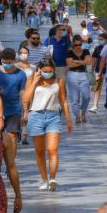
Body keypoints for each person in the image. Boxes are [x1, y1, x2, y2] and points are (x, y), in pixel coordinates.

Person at [23, 58, 73, 191]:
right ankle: (44, 179)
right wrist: (34, 82)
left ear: (54, 70)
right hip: (36, 115)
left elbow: (63, 100)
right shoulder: (32, 80)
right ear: (39, 70)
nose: (47, 73)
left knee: (52, 149)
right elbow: (25, 99)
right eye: (44, 71)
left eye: (50, 71)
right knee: (40, 151)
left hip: (53, 116)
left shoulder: (59, 81)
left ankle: (52, 179)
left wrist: (68, 119)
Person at [0, 49, 27, 158]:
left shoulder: (21, 74)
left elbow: (23, 93)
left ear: (14, 60)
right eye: (4, 62)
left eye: (9, 62)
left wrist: (25, 111)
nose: (7, 64)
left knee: (12, 136)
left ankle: (11, 164)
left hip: (14, 109)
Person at [66, 35, 91, 123]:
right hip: (72, 75)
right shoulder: (69, 52)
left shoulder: (86, 51)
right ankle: (77, 115)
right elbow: (70, 65)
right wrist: (83, 62)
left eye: (80, 44)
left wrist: (76, 61)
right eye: (76, 45)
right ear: (73, 44)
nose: (78, 47)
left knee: (87, 96)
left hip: (84, 75)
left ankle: (83, 112)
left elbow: (88, 61)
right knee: (75, 98)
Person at [16, 46, 36, 145]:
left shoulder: (33, 67)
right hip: (17, 92)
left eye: (26, 53)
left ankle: (24, 135)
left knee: (27, 112)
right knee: (18, 113)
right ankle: (17, 131)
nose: (24, 55)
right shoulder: (14, 66)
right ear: (18, 53)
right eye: (21, 52)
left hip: (29, 92)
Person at [89, 33, 107, 114]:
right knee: (96, 88)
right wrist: (92, 70)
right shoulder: (97, 48)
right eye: (99, 39)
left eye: (101, 39)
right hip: (98, 71)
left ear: (106, 39)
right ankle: (95, 106)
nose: (99, 41)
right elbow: (94, 60)